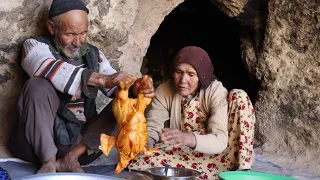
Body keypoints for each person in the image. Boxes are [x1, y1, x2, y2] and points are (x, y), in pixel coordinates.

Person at [8, 0, 154, 174]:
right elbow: (47, 68)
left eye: (83, 33)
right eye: (70, 34)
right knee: (38, 85)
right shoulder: (35, 46)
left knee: (126, 99)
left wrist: (135, 88)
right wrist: (101, 79)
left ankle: (71, 159)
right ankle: (49, 162)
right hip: (35, 146)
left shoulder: (93, 54)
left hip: (80, 147)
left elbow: (114, 86)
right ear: (52, 27)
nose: (77, 42)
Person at [128, 46, 256, 180]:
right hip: (185, 153)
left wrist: (187, 138)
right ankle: (199, 173)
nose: (183, 80)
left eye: (191, 74)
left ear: (201, 76)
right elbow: (153, 128)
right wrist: (143, 147)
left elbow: (220, 140)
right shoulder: (165, 90)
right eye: (179, 72)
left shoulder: (216, 92)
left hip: (220, 153)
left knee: (239, 95)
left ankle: (241, 169)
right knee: (139, 160)